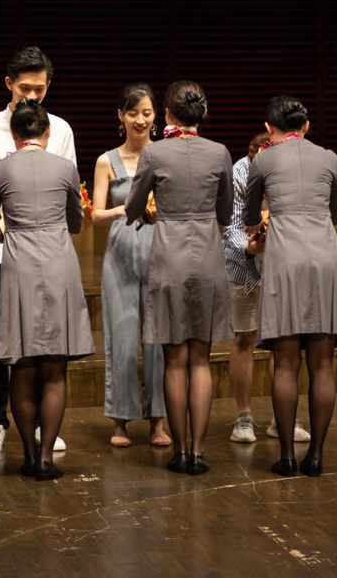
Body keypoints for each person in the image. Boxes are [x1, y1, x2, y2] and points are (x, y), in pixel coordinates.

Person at [0, 46, 76, 454]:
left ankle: (43, 423)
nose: (32, 96)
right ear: (8, 84)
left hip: (46, 253)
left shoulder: (60, 129)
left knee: (46, 338)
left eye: (40, 89)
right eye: (25, 88)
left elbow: (66, 189)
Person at [125, 82, 233, 476]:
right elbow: (225, 212)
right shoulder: (219, 152)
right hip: (207, 256)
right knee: (200, 359)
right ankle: (199, 452)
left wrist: (147, 211)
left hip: (169, 256)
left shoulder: (154, 153)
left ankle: (181, 451)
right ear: (203, 113)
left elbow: (133, 207)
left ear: (167, 114)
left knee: (174, 360)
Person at [0, 99, 94, 480]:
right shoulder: (65, 168)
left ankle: (29, 455)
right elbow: (76, 223)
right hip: (59, 264)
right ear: (47, 132)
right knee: (54, 366)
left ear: (14, 134)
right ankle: (47, 456)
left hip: (19, 266)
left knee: (22, 365)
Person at [242, 96, 337, 477]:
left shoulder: (264, 159)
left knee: (285, 361)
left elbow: (249, 212)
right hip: (325, 258)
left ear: (269, 129)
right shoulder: (329, 157)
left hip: (284, 257)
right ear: (306, 126)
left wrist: (258, 227)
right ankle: (316, 456)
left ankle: (286, 456)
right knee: (323, 362)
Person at [91, 84, 169, 448]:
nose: (140, 120)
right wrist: (128, 208)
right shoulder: (106, 161)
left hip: (159, 249)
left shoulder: (164, 156)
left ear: (156, 117)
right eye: (133, 113)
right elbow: (96, 215)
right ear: (120, 117)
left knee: (158, 338)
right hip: (121, 249)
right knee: (121, 337)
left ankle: (158, 420)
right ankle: (120, 420)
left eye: (147, 113)